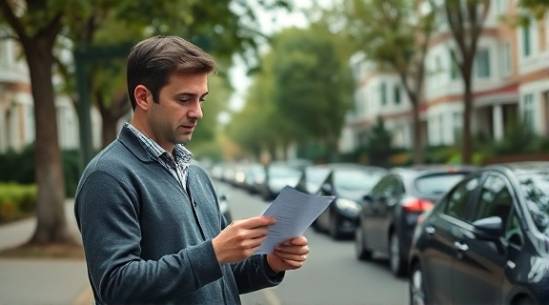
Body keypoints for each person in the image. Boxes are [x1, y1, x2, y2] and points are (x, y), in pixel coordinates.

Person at [74, 36, 309, 305]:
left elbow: (220, 275)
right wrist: (212, 253)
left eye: (201, 100)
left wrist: (270, 263)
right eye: (185, 99)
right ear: (143, 97)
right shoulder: (107, 176)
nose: (197, 112)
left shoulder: (195, 174)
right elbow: (117, 286)